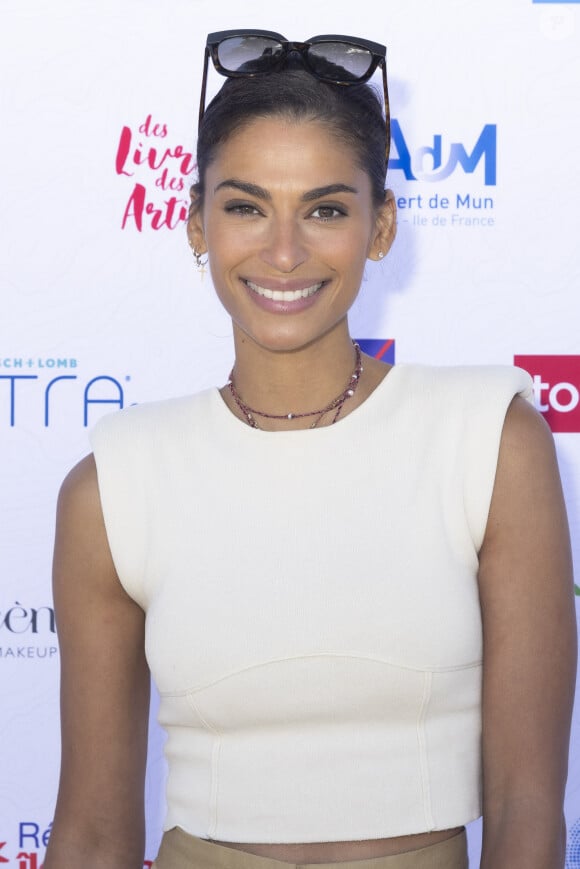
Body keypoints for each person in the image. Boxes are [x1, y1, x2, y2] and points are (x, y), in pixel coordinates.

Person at [44, 29, 577, 869]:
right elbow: (94, 833)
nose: (284, 251)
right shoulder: (115, 484)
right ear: (194, 223)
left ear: (381, 225)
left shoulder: (489, 441)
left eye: (325, 209)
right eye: (246, 206)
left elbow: (527, 810)